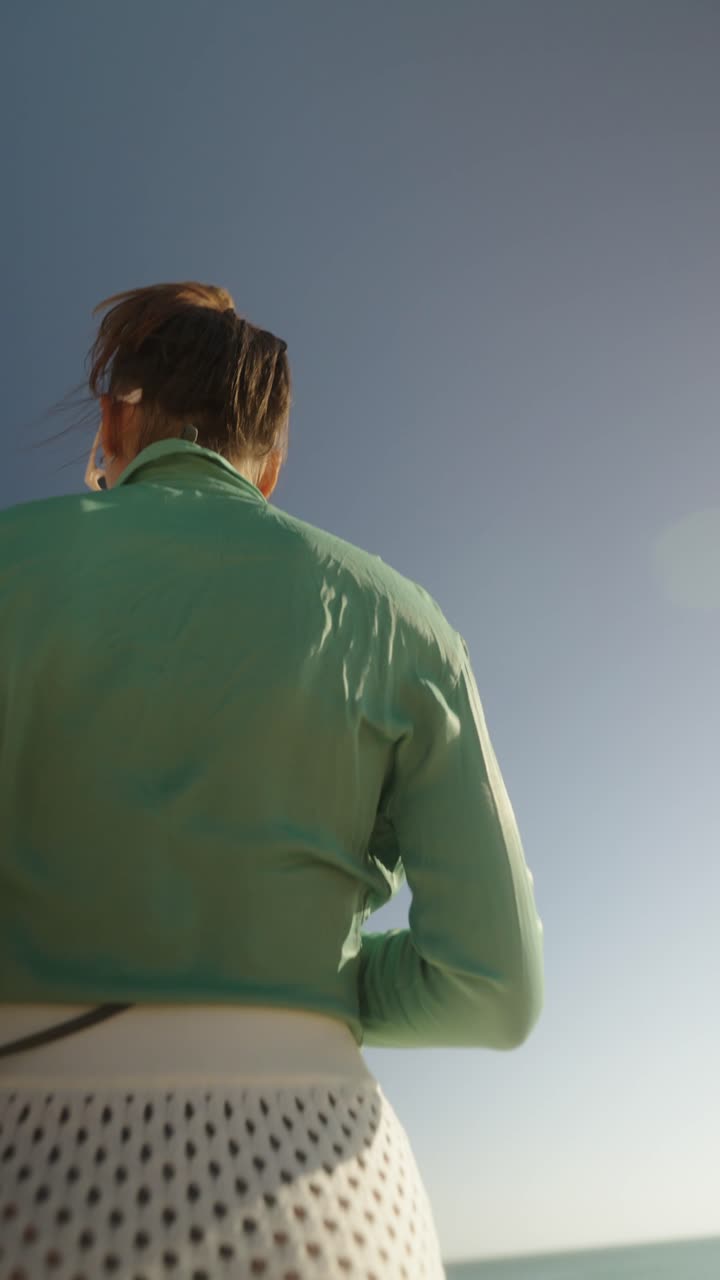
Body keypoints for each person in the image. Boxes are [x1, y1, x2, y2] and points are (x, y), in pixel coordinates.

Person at [0, 281, 544, 1280]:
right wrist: (311, 974)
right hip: (327, 1200)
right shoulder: (402, 618)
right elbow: (491, 991)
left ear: (115, 420)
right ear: (270, 466)